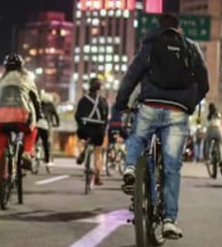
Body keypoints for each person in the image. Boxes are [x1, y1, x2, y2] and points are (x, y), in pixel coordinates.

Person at [115, 12, 209, 239]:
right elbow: (204, 82)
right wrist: (189, 103)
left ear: (159, 27)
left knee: (138, 138)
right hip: (177, 111)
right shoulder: (190, 47)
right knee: (171, 167)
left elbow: (132, 75)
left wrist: (121, 102)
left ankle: (130, 169)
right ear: (179, 29)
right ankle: (169, 221)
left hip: (150, 105)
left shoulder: (150, 45)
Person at [0, 53, 42, 199]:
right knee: (32, 130)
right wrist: (39, 114)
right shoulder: (26, 78)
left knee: (0, 150)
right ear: (21, 66)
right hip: (21, 117)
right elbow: (35, 99)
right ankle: (26, 151)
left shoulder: (0, 78)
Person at [75, 78, 109, 186]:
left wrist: (80, 124)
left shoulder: (83, 100)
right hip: (98, 129)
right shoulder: (103, 101)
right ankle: (98, 177)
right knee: (98, 153)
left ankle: (82, 150)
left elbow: (77, 116)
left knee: (80, 137)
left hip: (85, 128)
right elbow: (106, 117)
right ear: (100, 88)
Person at [36, 92, 60, 171]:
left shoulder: (38, 104)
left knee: (33, 141)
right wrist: (57, 123)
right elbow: (56, 116)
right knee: (46, 143)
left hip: (36, 125)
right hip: (45, 125)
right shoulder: (51, 105)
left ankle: (33, 153)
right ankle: (47, 161)